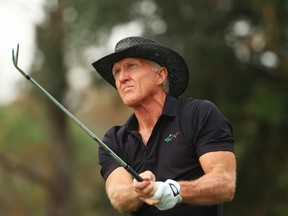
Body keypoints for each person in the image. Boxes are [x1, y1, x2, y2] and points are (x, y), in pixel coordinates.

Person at [92, 36, 236, 216]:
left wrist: (174, 190)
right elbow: (118, 196)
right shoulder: (114, 139)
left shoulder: (199, 114)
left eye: (131, 66)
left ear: (160, 75)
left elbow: (224, 184)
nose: (122, 78)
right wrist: (140, 189)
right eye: (117, 72)